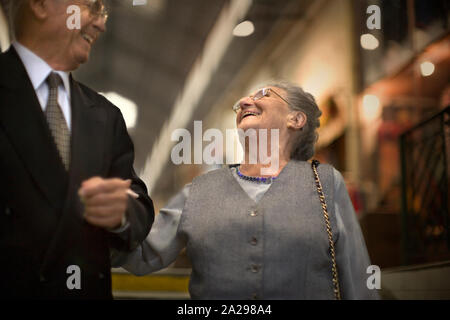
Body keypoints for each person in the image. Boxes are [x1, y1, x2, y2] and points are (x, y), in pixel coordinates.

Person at [116, 81, 379, 300]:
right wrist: (117, 219)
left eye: (263, 94)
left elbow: (357, 280)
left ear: (296, 119)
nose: (243, 102)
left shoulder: (326, 183)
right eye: (241, 102)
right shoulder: (199, 191)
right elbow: (142, 256)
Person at [0, 0, 154, 299]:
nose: (101, 24)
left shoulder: (105, 116)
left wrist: (122, 212)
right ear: (41, 4)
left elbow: (139, 204)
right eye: (92, 7)